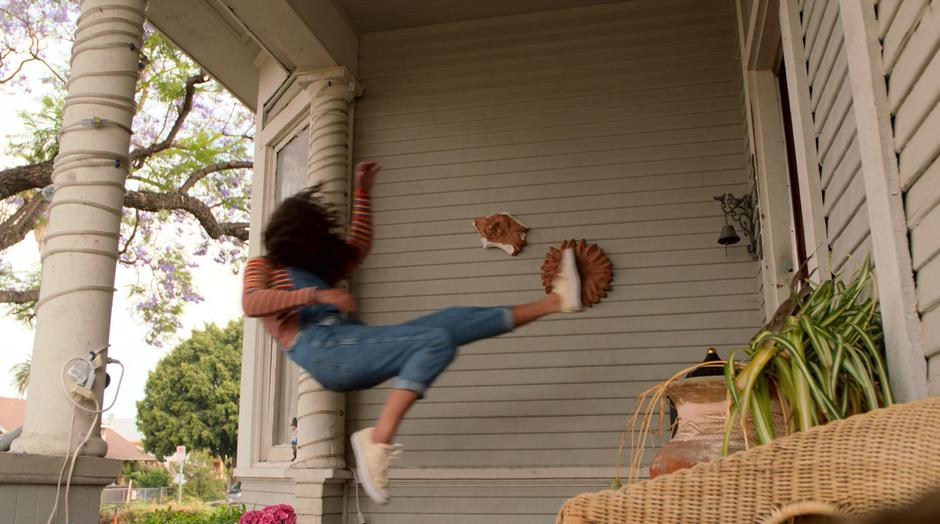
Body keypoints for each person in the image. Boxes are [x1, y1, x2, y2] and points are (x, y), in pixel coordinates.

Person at [242, 161, 583, 504]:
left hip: (347, 342)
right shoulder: (265, 266)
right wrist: (315, 295)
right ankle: (378, 437)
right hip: (322, 350)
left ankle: (557, 301)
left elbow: (357, 246)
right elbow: (252, 302)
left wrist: (363, 192)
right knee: (435, 343)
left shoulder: (319, 270)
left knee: (453, 322)